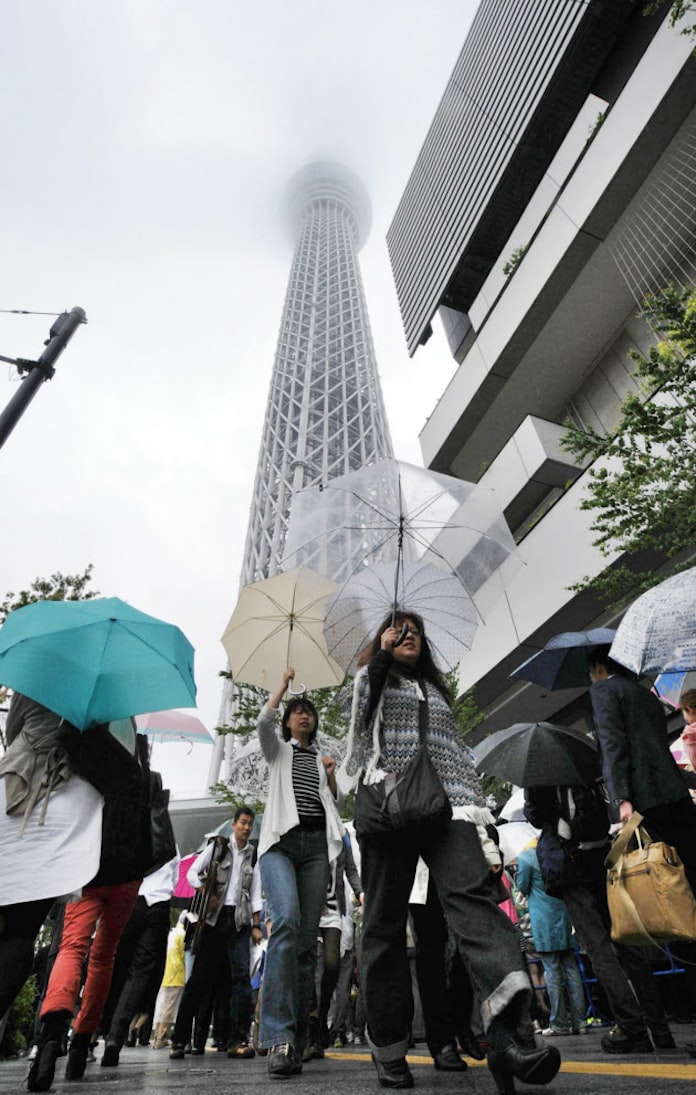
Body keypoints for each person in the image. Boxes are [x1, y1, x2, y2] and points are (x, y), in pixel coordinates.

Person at [339, 611, 561, 1092]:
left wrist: (484, 827)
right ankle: (391, 1046)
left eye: (416, 632)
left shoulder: (437, 693)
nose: (408, 637)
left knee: (478, 907)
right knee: (383, 927)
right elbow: (358, 723)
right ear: (381, 640)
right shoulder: (369, 680)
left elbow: (456, 755)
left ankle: (512, 1040)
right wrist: (378, 657)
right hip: (388, 807)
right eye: (398, 631)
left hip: (449, 810)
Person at [28, 722, 151, 1091]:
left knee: (71, 946)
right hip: (128, 868)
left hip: (87, 865)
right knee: (104, 956)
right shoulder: (137, 742)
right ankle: (82, 1042)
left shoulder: (77, 733)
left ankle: (51, 1036)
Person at [525, 779, 675, 1054]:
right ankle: (660, 1029)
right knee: (628, 941)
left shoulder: (542, 771)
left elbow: (536, 815)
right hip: (606, 858)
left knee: (599, 950)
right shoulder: (587, 761)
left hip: (569, 865)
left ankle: (632, 1028)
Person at [256, 669, 344, 1078]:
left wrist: (330, 776)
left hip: (314, 851)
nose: (304, 716)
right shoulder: (278, 751)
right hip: (280, 845)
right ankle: (278, 1038)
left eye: (308, 713)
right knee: (287, 924)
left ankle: (301, 1035)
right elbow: (262, 723)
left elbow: (333, 806)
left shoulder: (320, 757)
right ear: (289, 721)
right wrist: (284, 689)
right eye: (297, 712)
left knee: (307, 943)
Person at [588, 645, 696, 893]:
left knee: (665, 873)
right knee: (690, 859)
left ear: (600, 669)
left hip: (643, 797)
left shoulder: (603, 690)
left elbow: (613, 742)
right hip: (673, 790)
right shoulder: (644, 694)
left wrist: (621, 798)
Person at [170, 807, 262, 1060]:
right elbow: (191, 874)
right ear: (234, 825)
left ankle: (237, 1040)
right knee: (199, 980)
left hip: (238, 922)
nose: (246, 828)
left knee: (241, 980)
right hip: (213, 920)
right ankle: (178, 1040)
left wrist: (256, 924)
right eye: (243, 823)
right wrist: (205, 892)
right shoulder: (218, 847)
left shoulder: (253, 856)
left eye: (250, 824)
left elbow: (255, 893)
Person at [100, 851, 180, 1066]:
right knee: (140, 973)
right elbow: (173, 877)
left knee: (117, 966)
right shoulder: (169, 842)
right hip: (158, 907)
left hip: (130, 902)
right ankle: (116, 1035)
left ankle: (99, 1030)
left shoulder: (131, 832)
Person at [514, 839, 586, 1037]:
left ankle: (559, 1022)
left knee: (551, 969)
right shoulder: (557, 851)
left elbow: (522, 885)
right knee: (571, 968)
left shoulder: (526, 857)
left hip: (543, 919)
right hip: (564, 913)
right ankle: (580, 1021)